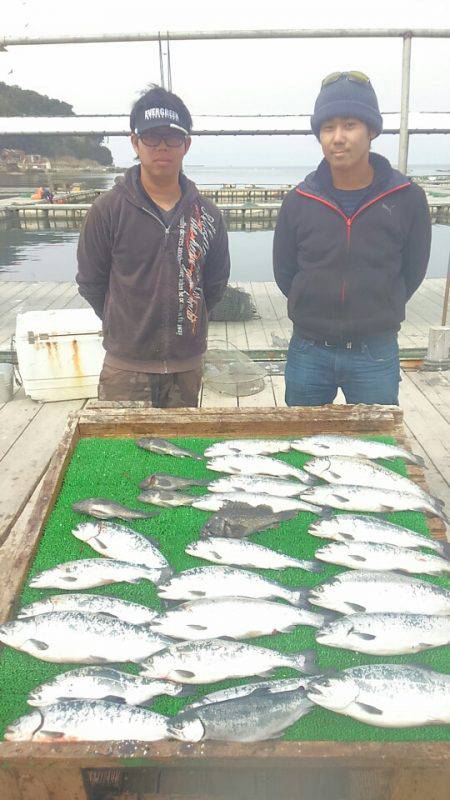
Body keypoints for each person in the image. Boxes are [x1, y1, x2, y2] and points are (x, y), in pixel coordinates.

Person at [273, 71, 431, 406]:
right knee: (304, 446)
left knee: (376, 445)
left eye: (349, 125)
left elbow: (414, 270)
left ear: (371, 130)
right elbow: (284, 271)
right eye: (328, 128)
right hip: (308, 349)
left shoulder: (406, 198)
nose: (337, 137)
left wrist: (381, 306)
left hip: (375, 351)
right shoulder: (299, 200)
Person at [77, 85, 230, 407]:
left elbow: (214, 285)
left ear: (186, 144)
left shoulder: (209, 215)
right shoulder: (107, 210)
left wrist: (190, 323)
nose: (162, 147)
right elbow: (91, 282)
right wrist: (122, 325)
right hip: (124, 367)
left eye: (173, 138)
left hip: (186, 367)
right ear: (135, 142)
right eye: (151, 137)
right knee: (121, 455)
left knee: (179, 455)